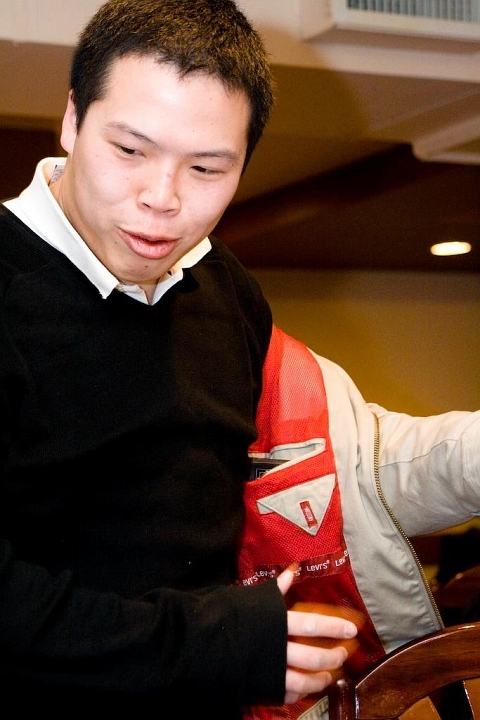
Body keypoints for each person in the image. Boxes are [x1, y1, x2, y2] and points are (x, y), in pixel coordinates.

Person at [0, 1, 478, 718]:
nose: (161, 199)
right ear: (72, 119)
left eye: (206, 168)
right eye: (129, 151)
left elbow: (343, 458)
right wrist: (219, 649)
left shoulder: (223, 289)